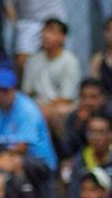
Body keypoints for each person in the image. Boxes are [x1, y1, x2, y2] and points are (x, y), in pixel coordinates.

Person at [0, 67, 58, 172]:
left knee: (13, 162)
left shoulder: (27, 110)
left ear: (14, 90)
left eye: (5, 91)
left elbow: (22, 148)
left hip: (38, 161)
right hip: (1, 158)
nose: (1, 96)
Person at [21, 17, 81, 145]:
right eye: (44, 31)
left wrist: (44, 109)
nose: (46, 36)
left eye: (52, 32)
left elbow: (67, 98)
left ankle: (62, 152)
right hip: (36, 106)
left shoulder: (69, 61)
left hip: (60, 107)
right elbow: (26, 93)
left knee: (54, 114)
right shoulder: (33, 61)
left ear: (62, 37)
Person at [10, 0, 67, 83]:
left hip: (55, 18)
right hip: (29, 22)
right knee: (22, 61)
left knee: (59, 57)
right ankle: (24, 88)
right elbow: (9, 6)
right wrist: (16, 28)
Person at [66, 113, 112, 198]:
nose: (96, 137)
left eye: (101, 132)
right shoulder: (80, 160)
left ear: (110, 135)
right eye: (92, 132)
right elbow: (74, 195)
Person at [89, 16, 112, 96]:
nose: (111, 34)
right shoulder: (97, 60)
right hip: (103, 103)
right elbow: (93, 88)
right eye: (108, 30)